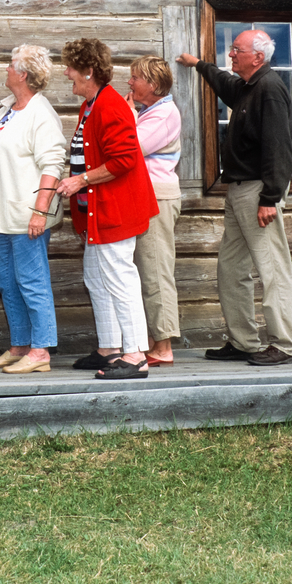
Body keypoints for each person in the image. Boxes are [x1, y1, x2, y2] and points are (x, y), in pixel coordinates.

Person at [176, 29, 292, 366]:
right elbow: (225, 83)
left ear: (257, 57)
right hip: (239, 190)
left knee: (272, 268)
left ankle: (283, 345)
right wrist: (198, 64)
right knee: (231, 269)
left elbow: (280, 150)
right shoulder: (247, 88)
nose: (230, 55)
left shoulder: (269, 90)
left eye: (236, 50)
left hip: (259, 191)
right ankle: (243, 341)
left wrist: (270, 198)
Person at [54, 38, 159, 380]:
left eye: (70, 67)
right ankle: (111, 347)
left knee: (120, 279)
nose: (66, 73)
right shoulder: (91, 104)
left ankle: (135, 355)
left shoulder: (109, 105)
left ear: (87, 71)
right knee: (97, 278)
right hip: (98, 212)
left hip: (117, 209)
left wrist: (80, 180)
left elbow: (125, 159)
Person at [0, 45, 67, 374]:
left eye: (11, 66)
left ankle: (41, 351)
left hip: (27, 215)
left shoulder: (41, 114)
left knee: (31, 281)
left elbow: (53, 165)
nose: (6, 70)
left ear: (23, 75)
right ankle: (20, 345)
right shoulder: (9, 107)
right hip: (2, 213)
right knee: (8, 283)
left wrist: (40, 212)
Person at [127, 56, 183, 366]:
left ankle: (163, 346)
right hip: (146, 199)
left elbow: (130, 147)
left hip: (157, 200)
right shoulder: (150, 112)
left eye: (136, 78)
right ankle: (152, 340)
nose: (130, 83)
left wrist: (127, 113)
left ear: (154, 85)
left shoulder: (162, 114)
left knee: (155, 270)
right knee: (144, 269)